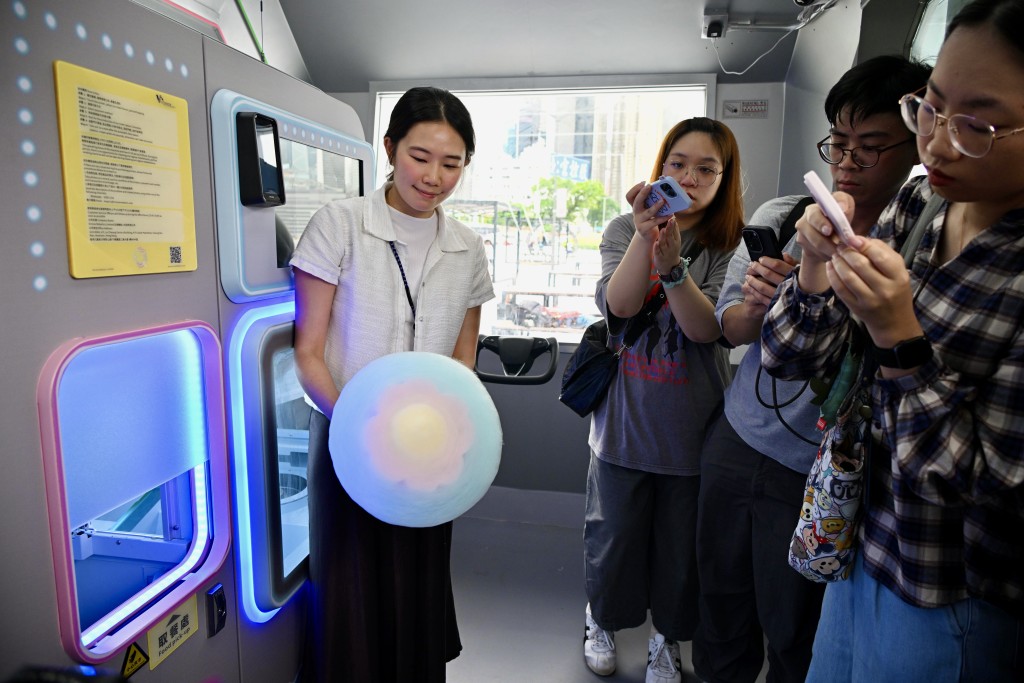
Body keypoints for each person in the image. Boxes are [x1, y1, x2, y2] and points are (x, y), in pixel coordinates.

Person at [760, 1, 1024, 679]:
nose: (934, 143)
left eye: (977, 125)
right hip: (858, 544)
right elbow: (789, 356)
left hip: (948, 590)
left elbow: (991, 488)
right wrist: (814, 268)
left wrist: (899, 338)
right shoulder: (919, 206)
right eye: (930, 108)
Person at [692, 55, 930, 683]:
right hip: (737, 437)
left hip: (819, 471)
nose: (846, 161)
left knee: (796, 631)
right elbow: (731, 331)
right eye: (838, 142)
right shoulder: (780, 218)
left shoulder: (912, 251)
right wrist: (759, 302)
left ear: (916, 143)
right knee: (719, 606)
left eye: (871, 146)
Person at [290, 86, 494, 682]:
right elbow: (309, 354)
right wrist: (365, 430)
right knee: (353, 587)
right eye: (419, 156)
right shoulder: (340, 226)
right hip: (348, 442)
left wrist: (449, 438)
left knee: (418, 582)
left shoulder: (468, 248)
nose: (433, 176)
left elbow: (462, 360)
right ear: (389, 149)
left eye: (451, 163)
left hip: (430, 450)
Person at [583, 117, 744, 683]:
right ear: (660, 167)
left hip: (695, 430)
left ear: (726, 180)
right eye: (678, 163)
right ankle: (599, 620)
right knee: (614, 540)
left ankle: (666, 641)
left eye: (707, 168)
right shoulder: (623, 230)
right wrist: (645, 235)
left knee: (682, 555)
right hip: (623, 423)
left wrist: (674, 266)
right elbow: (621, 307)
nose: (690, 177)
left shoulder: (731, 247)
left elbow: (706, 331)